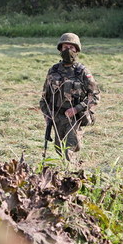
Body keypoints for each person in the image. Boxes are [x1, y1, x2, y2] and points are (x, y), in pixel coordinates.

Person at [40, 33, 100, 162]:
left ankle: (73, 175)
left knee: (69, 149)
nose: (68, 50)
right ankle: (69, 174)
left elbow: (94, 96)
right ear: (60, 49)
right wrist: (47, 115)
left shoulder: (82, 71)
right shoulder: (53, 71)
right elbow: (44, 97)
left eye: (71, 47)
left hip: (74, 118)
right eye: (65, 46)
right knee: (59, 148)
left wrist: (77, 109)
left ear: (77, 50)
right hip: (57, 117)